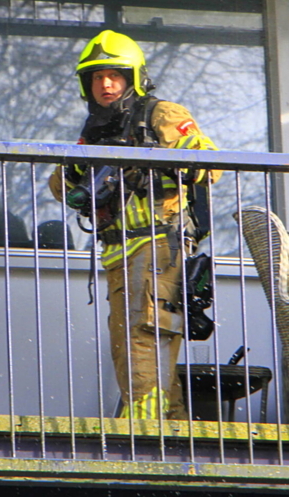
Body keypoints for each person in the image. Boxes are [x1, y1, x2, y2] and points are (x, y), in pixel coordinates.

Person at [49, 30, 221, 420]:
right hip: (119, 256)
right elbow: (61, 187)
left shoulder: (160, 115)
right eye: (96, 77)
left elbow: (210, 164)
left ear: (134, 78)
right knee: (128, 345)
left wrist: (146, 160)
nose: (105, 84)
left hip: (158, 246)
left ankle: (144, 430)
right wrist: (78, 167)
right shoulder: (94, 131)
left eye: (114, 75)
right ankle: (170, 430)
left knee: (144, 341)